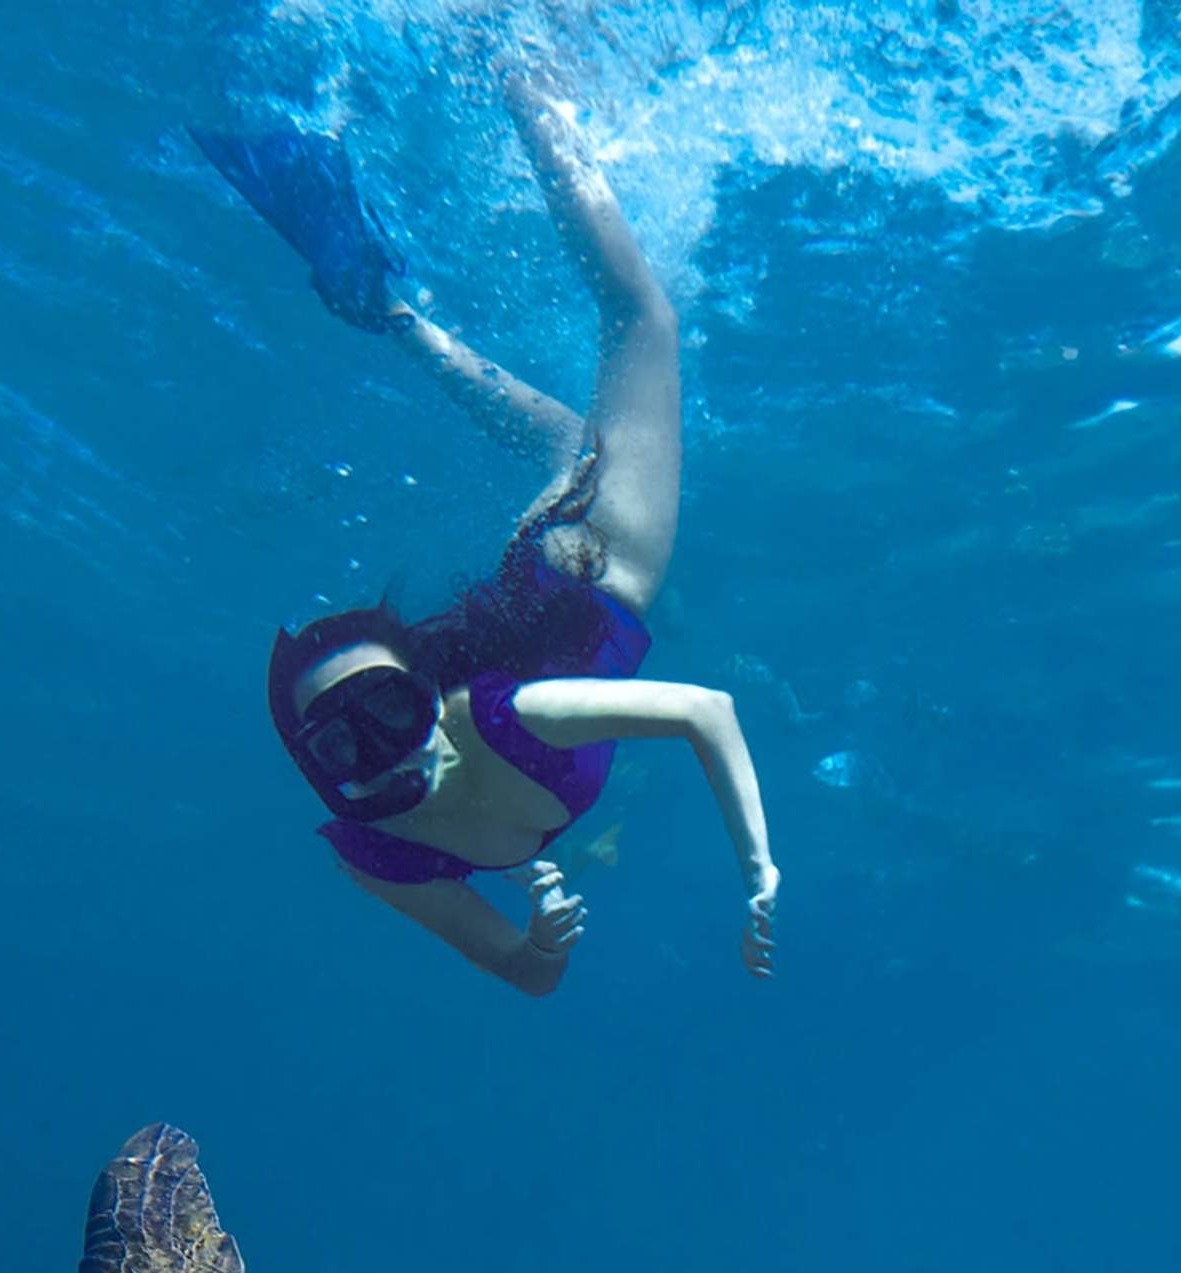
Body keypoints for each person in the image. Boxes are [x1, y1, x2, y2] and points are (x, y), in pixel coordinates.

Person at [199, 81, 776, 996]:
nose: (389, 753)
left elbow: (709, 710)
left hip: (600, 561)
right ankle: (392, 314)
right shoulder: (377, 852)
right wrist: (543, 940)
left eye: (388, 713)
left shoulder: (501, 718)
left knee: (641, 321)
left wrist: (758, 871)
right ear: (317, 767)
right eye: (348, 746)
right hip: (552, 575)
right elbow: (525, 975)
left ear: (427, 693)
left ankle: (526, 83)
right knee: (563, 441)